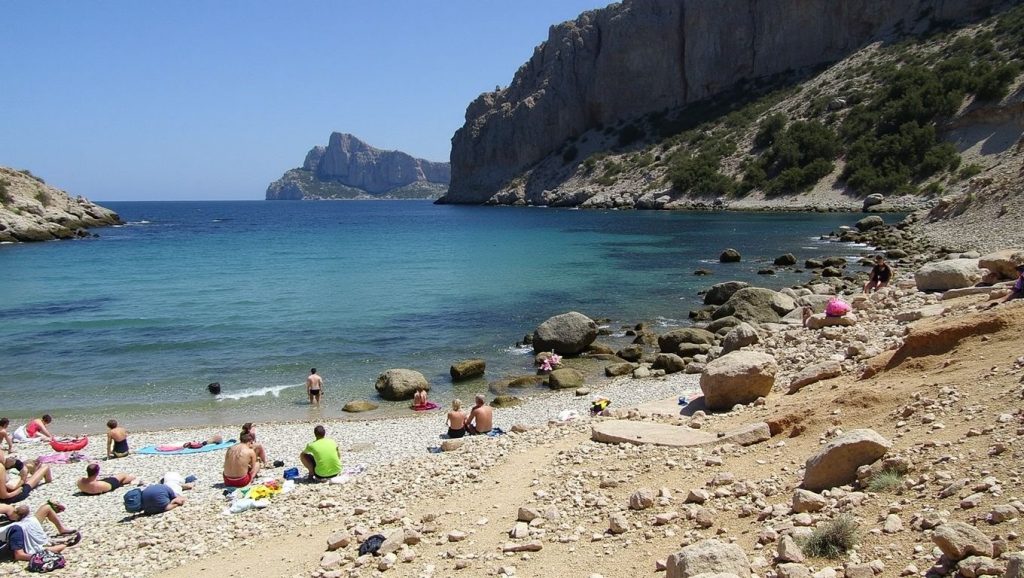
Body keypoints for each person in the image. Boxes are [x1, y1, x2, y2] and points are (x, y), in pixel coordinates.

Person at [0, 502, 77, 561]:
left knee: (46, 508)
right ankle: (37, 554)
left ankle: (62, 529)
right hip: (12, 531)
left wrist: (17, 513)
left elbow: (10, 510)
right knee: (17, 528)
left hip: (21, 523)